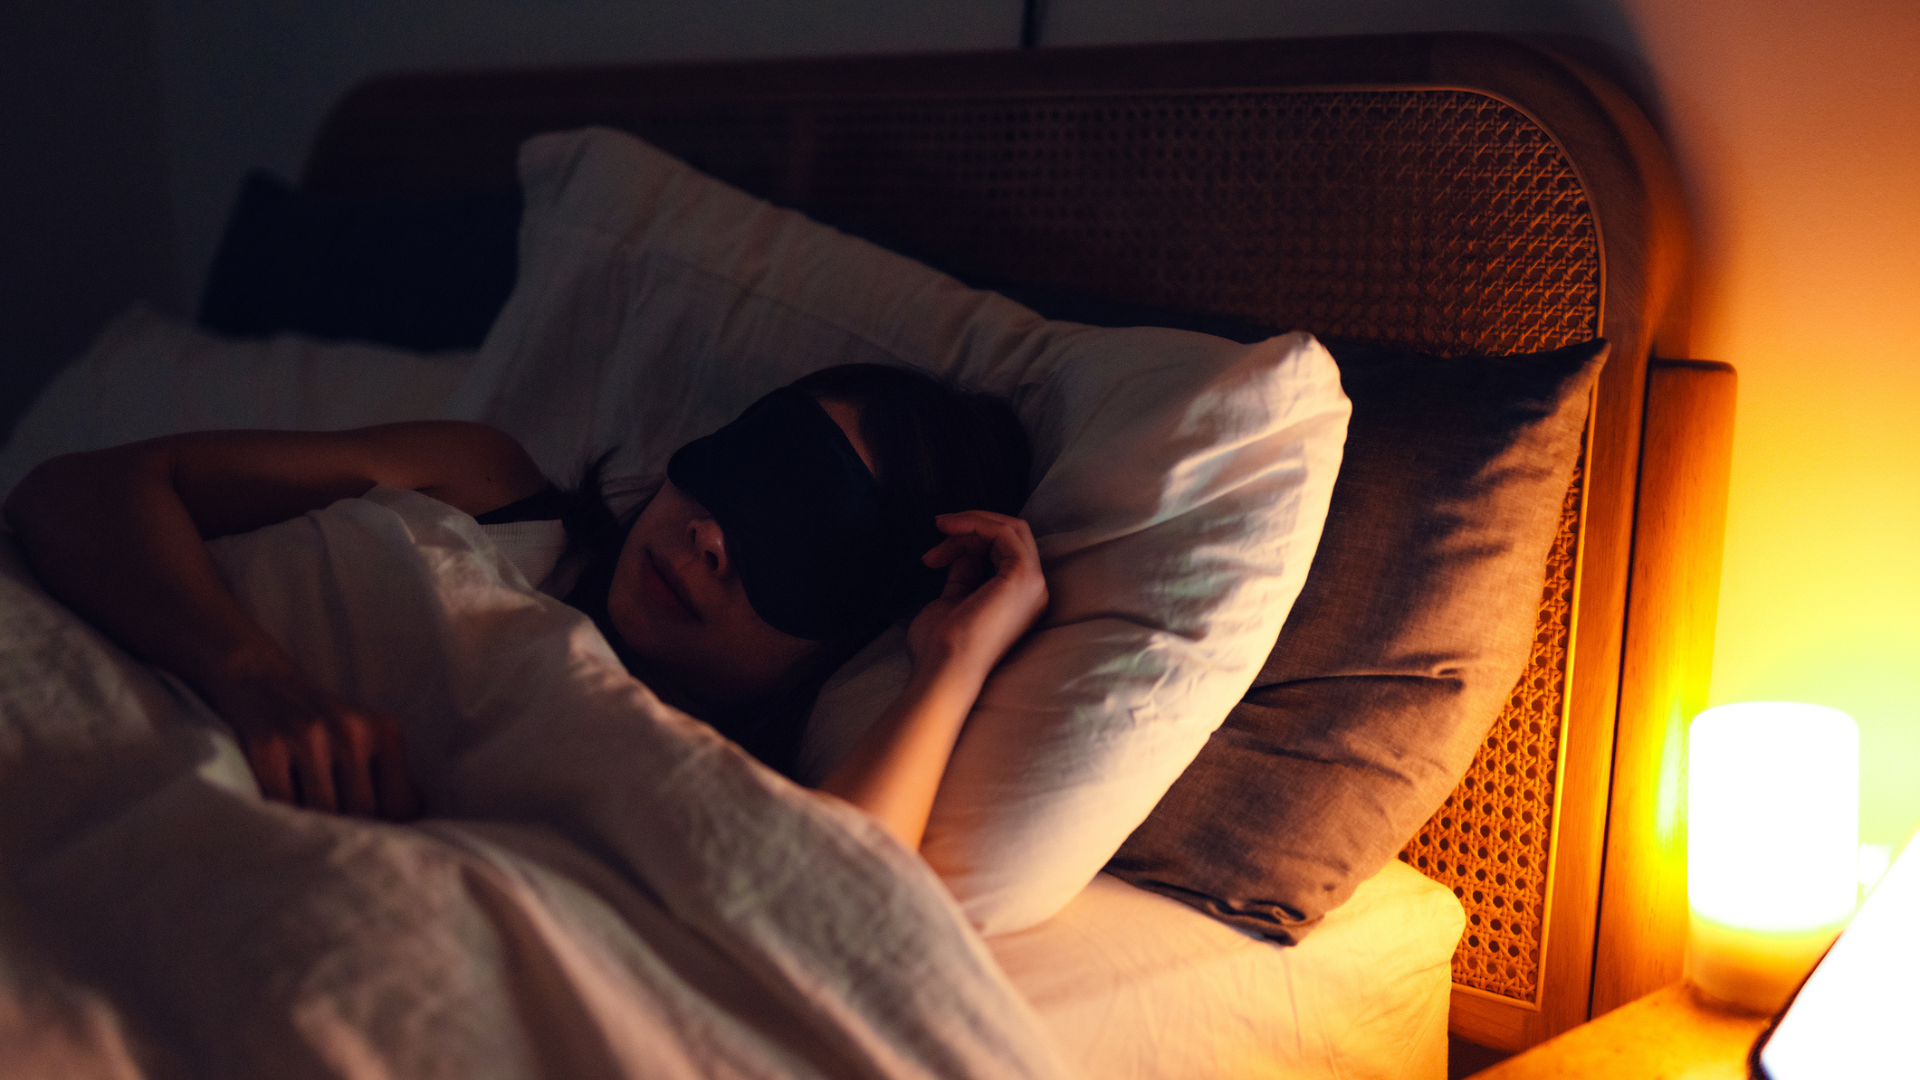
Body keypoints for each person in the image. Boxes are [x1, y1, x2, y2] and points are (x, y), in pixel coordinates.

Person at [3, 363, 1044, 853]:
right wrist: (255, 679)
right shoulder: (490, 486)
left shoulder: (707, 788)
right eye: (754, 472)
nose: (715, 538)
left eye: (807, 544)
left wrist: (951, 663)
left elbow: (839, 895)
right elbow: (73, 491)